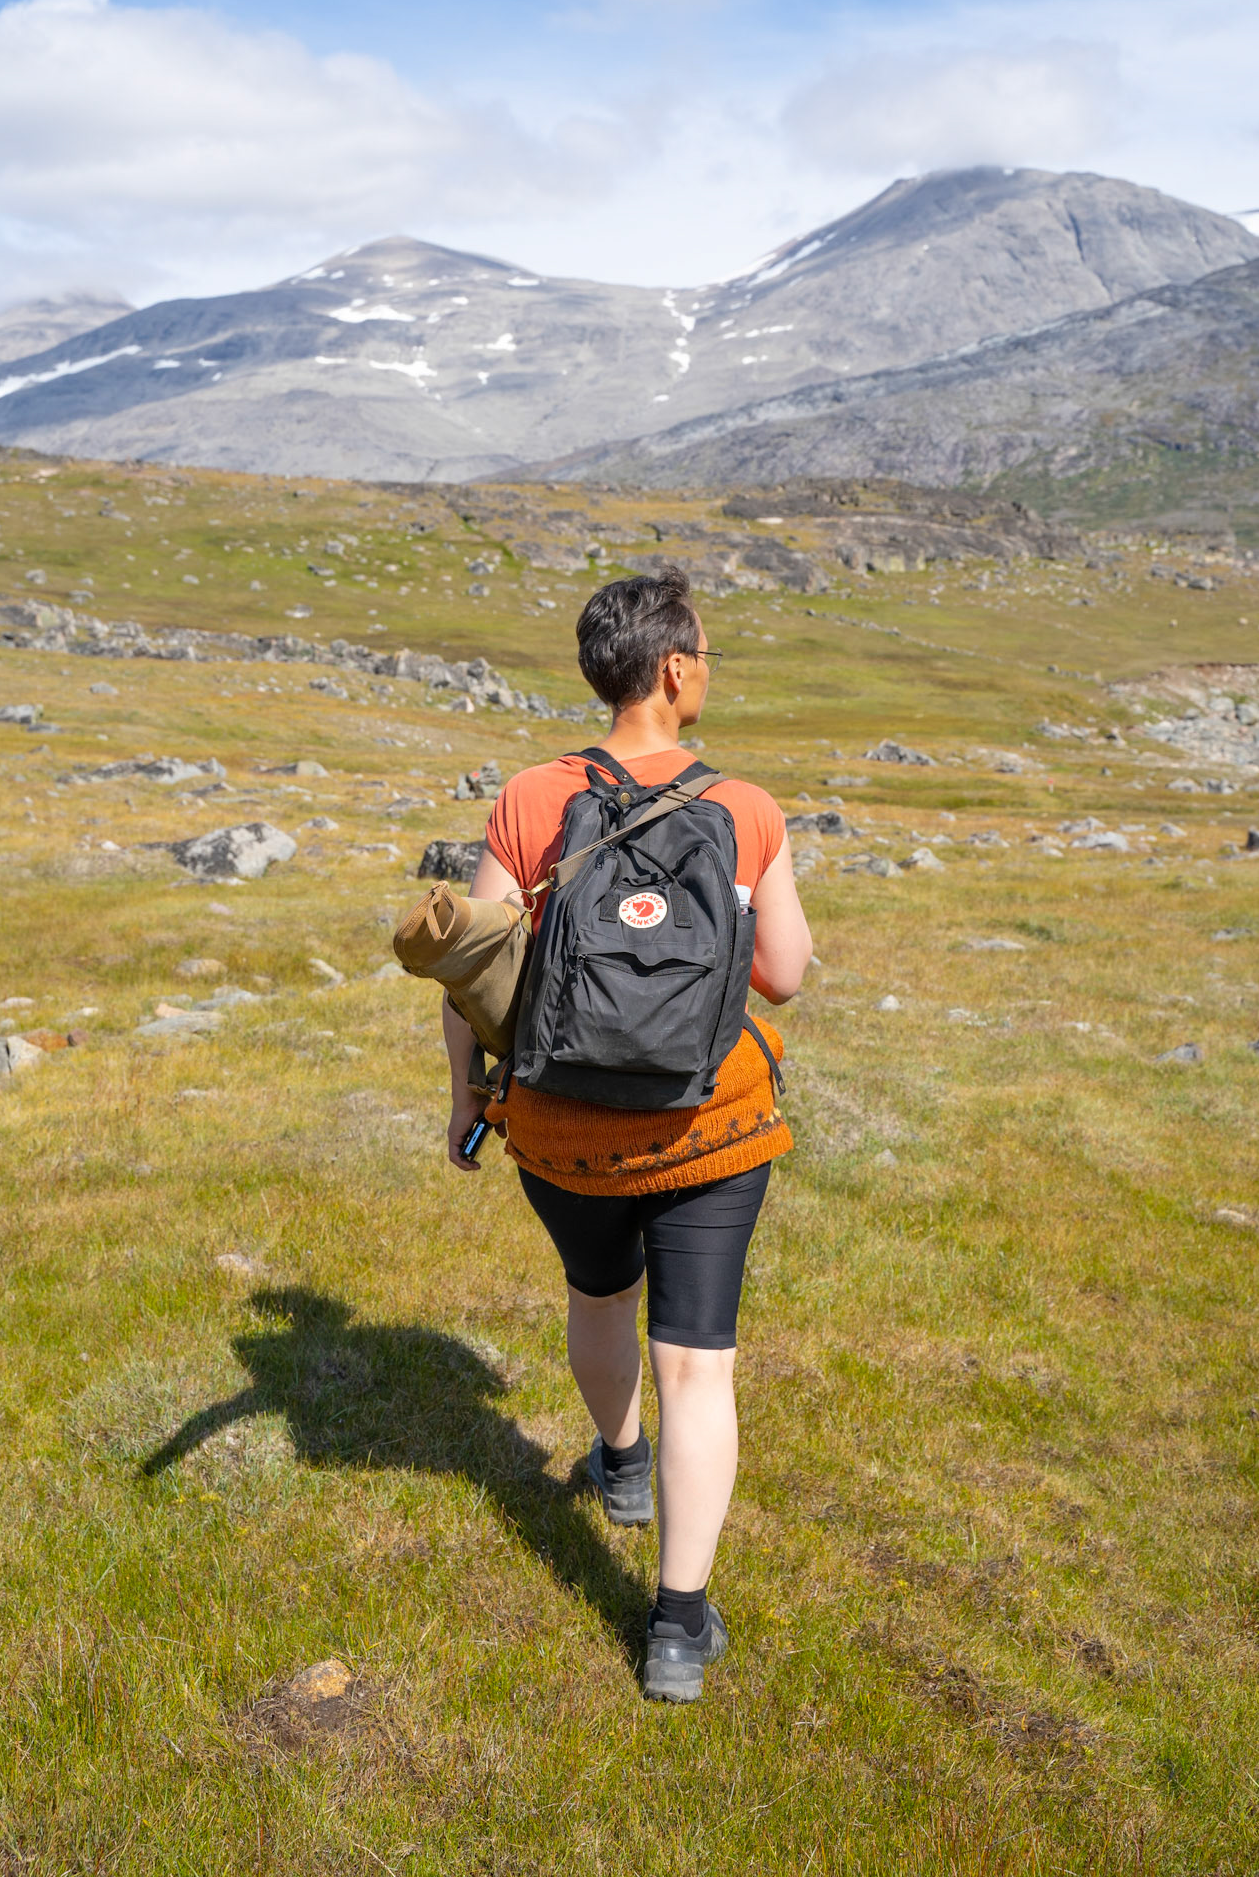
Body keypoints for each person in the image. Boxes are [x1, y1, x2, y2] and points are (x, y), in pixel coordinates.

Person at [441, 565, 811, 1703]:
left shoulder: (527, 795)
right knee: (698, 1362)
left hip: (559, 1128)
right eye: (704, 649)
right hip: (708, 1129)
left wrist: (467, 1105)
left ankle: (619, 1460)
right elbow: (785, 977)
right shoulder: (744, 806)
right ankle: (676, 1627)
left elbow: (471, 973)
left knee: (598, 1298)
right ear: (675, 668)